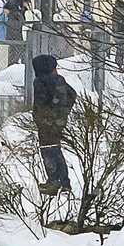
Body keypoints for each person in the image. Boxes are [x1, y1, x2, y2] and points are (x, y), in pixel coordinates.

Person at [31, 51, 77, 195]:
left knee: (48, 151)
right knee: (56, 150)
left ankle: (53, 181)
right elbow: (72, 94)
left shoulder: (40, 81)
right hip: (59, 122)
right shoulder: (59, 80)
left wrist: (41, 117)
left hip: (46, 124)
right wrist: (63, 112)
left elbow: (41, 103)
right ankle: (64, 182)